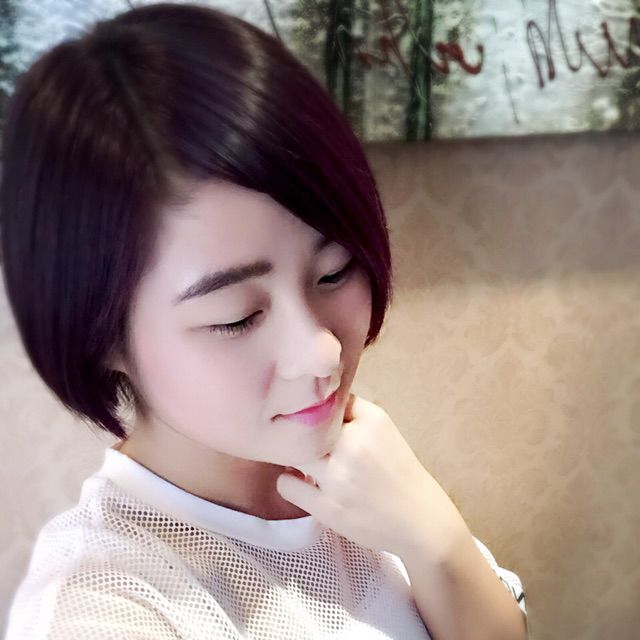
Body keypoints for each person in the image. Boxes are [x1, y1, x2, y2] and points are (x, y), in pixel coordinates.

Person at [1, 3, 527, 639]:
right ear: (99, 336)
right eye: (237, 318)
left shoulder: (365, 470)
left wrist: (434, 540)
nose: (322, 353)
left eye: (335, 271)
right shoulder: (103, 608)